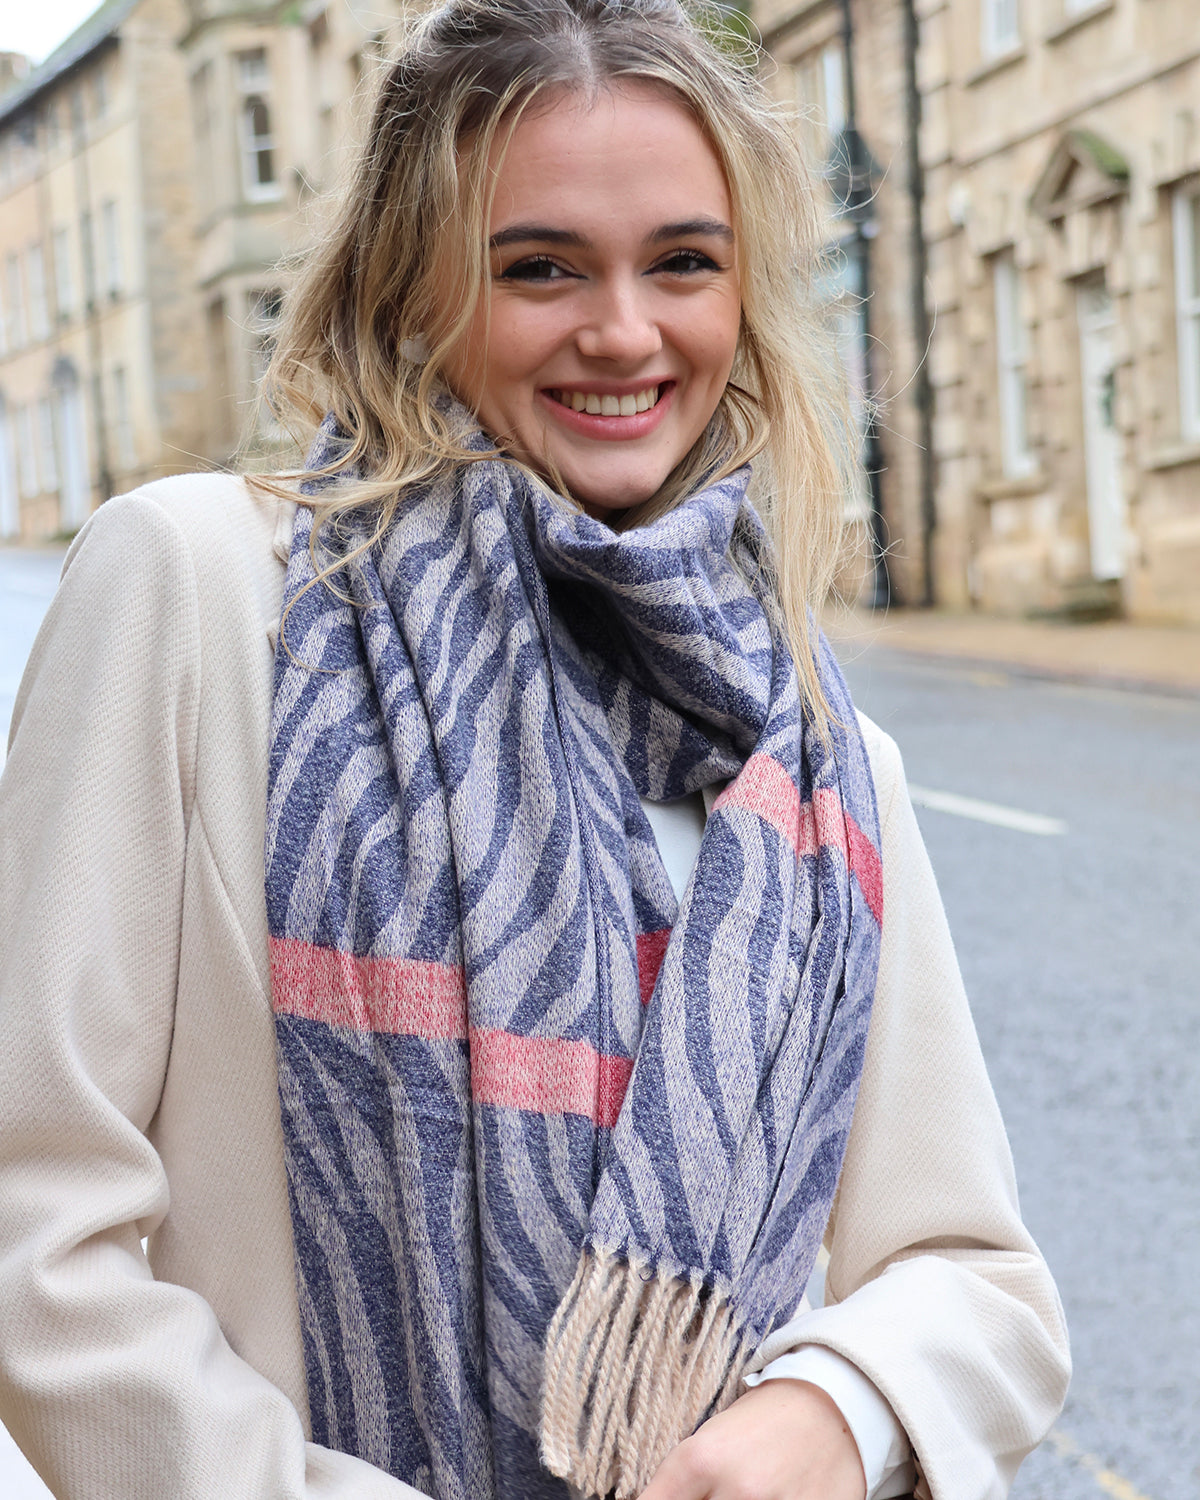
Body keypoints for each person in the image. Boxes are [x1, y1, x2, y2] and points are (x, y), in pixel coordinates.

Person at [0, 2, 1069, 1498]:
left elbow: (972, 1278)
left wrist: (830, 1412)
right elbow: (35, 1209)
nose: (624, 331)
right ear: (411, 288)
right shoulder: (202, 590)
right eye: (540, 268)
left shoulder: (811, 750)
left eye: (683, 264)